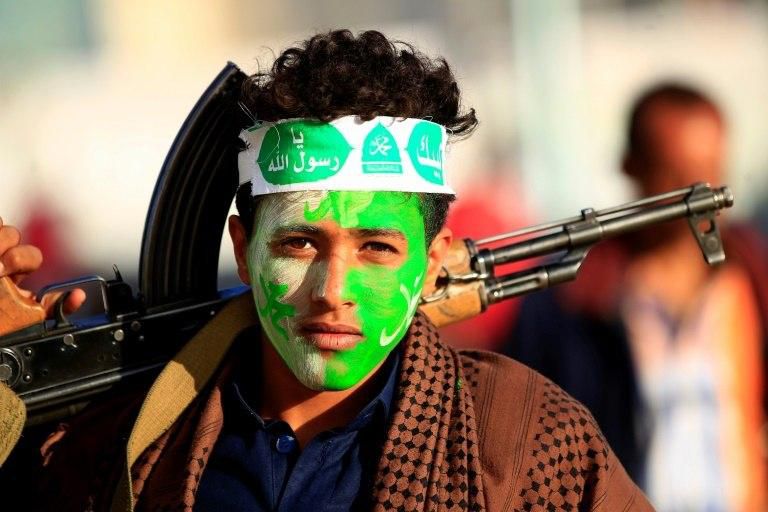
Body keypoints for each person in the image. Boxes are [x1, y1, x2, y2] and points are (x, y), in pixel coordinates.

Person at [0, 30, 653, 511]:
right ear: (243, 246)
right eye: (301, 244)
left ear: (432, 265)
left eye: (376, 249)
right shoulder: (127, 443)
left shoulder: (525, 441)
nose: (333, 291)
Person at [505, 83, 768, 511]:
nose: (698, 195)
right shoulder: (573, 296)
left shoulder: (751, 276)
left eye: (711, 171)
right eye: (676, 174)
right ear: (631, 166)